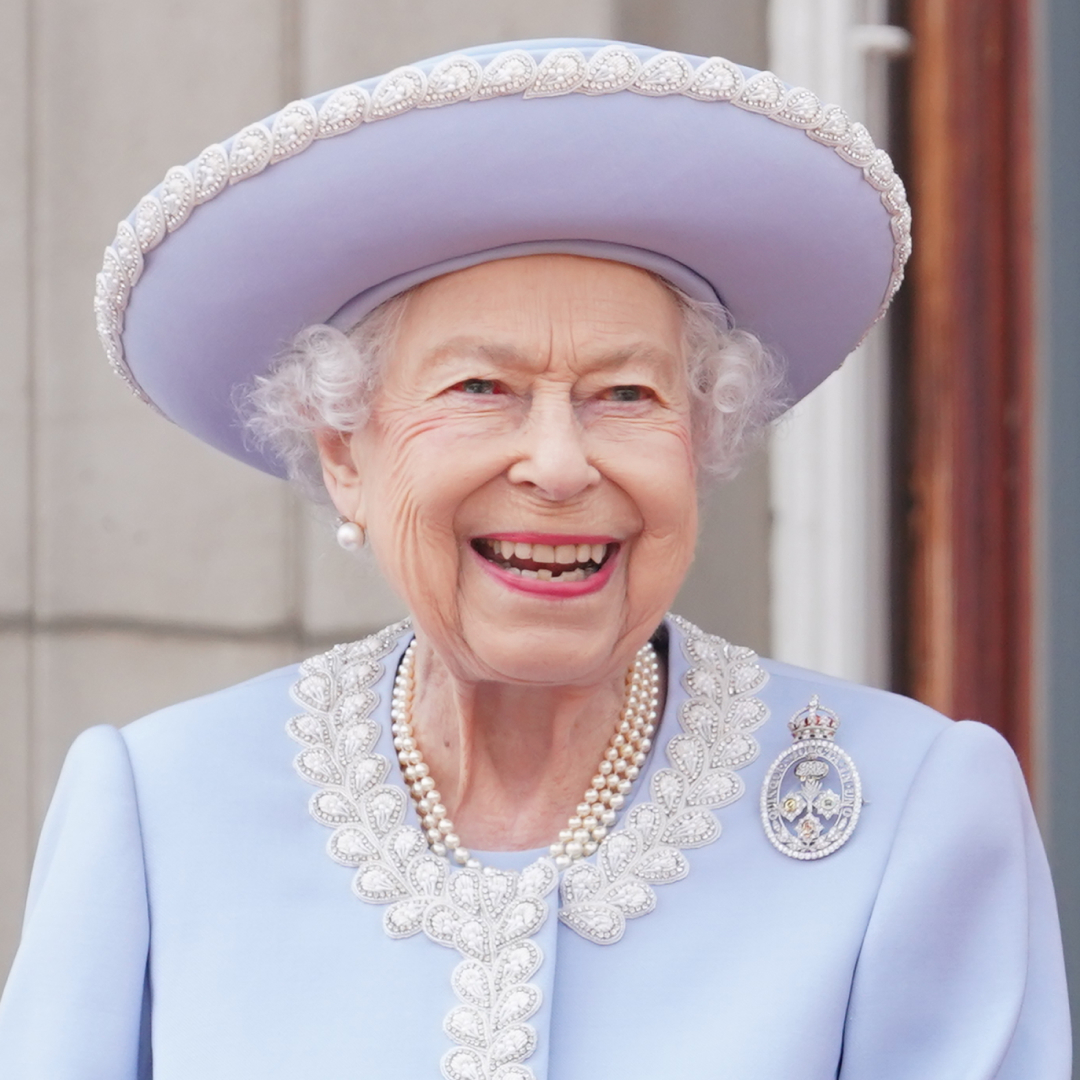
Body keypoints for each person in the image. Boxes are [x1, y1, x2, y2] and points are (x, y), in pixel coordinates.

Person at [0, 38, 1069, 1080]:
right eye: (480, 389)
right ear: (345, 454)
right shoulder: (161, 806)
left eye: (626, 395)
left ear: (697, 443)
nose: (559, 464)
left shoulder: (909, 813)